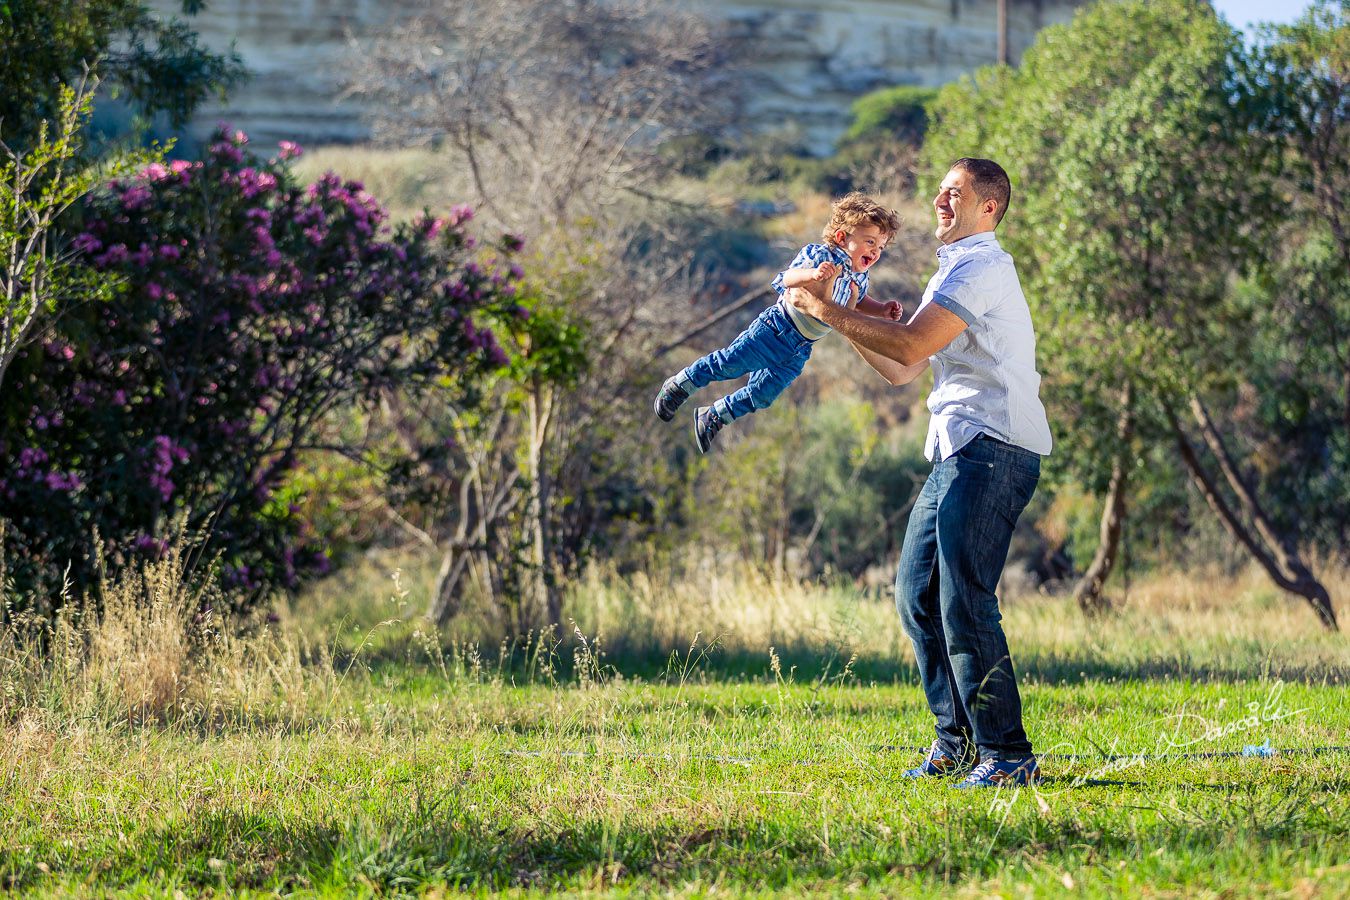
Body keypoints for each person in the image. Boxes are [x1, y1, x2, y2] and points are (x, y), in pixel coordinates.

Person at [787, 158, 1053, 789]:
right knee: (915, 596)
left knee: (965, 601)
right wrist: (838, 311)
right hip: (958, 450)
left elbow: (906, 348)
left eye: (953, 193)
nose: (939, 199)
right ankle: (957, 744)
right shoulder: (954, 271)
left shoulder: (982, 267)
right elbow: (904, 367)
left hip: (994, 448)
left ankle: (1009, 755)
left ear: (988, 208)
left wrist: (825, 312)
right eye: (940, 191)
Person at [652, 193, 902, 453]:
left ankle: (716, 414)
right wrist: (813, 274)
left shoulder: (861, 278)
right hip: (777, 329)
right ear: (842, 238)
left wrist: (881, 309)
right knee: (729, 364)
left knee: (764, 393)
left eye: (880, 247)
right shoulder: (820, 256)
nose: (875, 252)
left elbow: (859, 301)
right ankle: (681, 383)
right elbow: (786, 278)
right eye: (869, 242)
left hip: (801, 348)